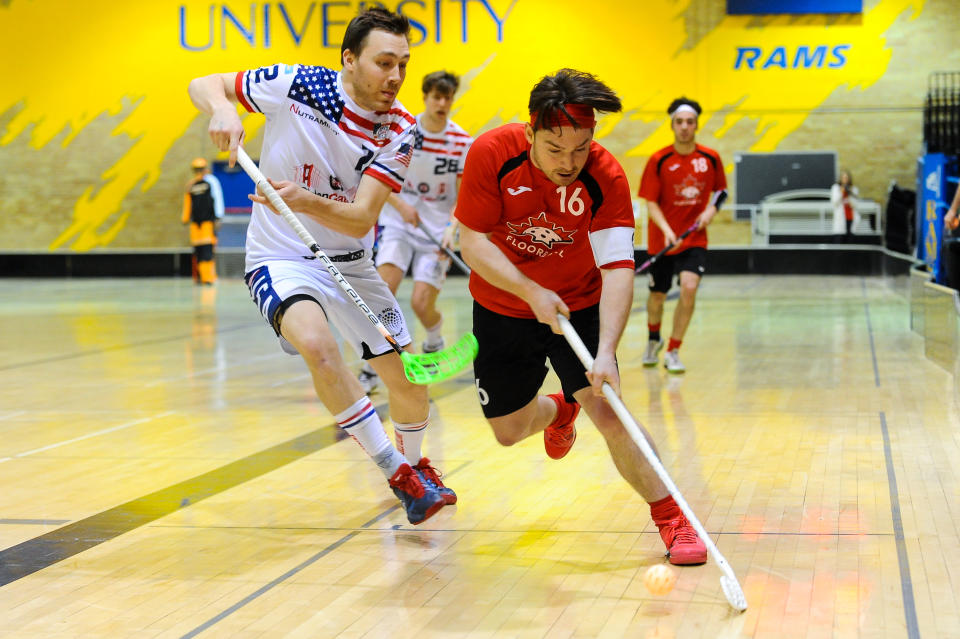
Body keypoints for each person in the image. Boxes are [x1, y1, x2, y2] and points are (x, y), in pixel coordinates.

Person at [186, 7, 454, 525]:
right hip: (281, 257)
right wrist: (222, 110)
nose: (396, 77)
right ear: (349, 61)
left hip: (352, 264)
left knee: (409, 383)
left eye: (403, 64)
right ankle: (397, 472)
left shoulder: (401, 130)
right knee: (319, 347)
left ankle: (419, 465)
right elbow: (204, 82)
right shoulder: (299, 84)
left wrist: (304, 199)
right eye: (383, 63)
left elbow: (359, 220)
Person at [454, 69, 707, 566]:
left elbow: (617, 267)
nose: (569, 163)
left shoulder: (605, 175)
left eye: (581, 148)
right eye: (554, 149)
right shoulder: (491, 154)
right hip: (504, 305)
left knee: (609, 410)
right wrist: (530, 291)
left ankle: (673, 518)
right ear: (529, 133)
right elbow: (472, 243)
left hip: (582, 305)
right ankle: (560, 409)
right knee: (508, 430)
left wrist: (608, 350)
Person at [357, 70, 473, 394]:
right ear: (425, 97)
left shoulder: (462, 142)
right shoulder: (405, 129)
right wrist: (400, 204)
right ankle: (371, 366)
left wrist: (453, 228)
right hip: (399, 223)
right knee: (383, 292)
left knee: (423, 303)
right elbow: (378, 176)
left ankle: (434, 341)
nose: (442, 103)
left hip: (436, 231)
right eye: (436, 96)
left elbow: (464, 195)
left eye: (447, 97)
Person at [638, 97, 727, 374]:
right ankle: (654, 339)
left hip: (694, 238)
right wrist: (666, 231)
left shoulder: (710, 158)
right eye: (680, 122)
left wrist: (711, 211)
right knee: (657, 297)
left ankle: (674, 349)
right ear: (672, 125)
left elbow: (721, 192)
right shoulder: (659, 159)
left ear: (696, 124)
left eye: (690, 122)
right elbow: (650, 202)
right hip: (662, 240)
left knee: (689, 288)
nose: (685, 127)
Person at [182, 157, 224, 285]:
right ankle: (200, 277)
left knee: (207, 250)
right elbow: (188, 203)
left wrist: (218, 217)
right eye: (196, 169)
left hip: (208, 222)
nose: (199, 171)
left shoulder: (211, 182)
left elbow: (217, 199)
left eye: (200, 169)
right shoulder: (191, 185)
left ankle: (209, 278)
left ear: (206, 169)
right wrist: (185, 218)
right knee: (198, 250)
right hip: (196, 223)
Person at [831, 169, 859, 242]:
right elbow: (834, 203)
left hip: (851, 218)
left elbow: (855, 205)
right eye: (843, 178)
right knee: (839, 240)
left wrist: (849, 193)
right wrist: (841, 192)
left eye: (846, 178)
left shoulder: (853, 189)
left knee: (850, 240)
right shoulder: (836, 188)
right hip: (840, 219)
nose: (845, 180)